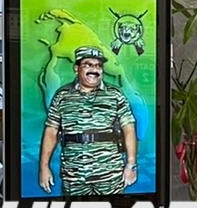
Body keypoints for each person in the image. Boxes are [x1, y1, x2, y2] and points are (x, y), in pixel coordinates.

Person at [38, 45, 138, 195]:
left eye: (98, 65)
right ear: (76, 68)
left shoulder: (115, 95)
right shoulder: (62, 96)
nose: (94, 69)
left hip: (109, 176)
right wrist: (44, 167)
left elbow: (129, 129)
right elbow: (51, 131)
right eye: (88, 65)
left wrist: (131, 164)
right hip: (74, 177)